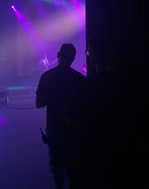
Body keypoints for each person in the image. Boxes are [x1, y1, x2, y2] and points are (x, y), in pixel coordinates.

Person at [68, 33, 135, 189]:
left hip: (93, 156)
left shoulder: (87, 86)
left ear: (94, 55)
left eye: (88, 52)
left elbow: (70, 117)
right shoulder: (130, 85)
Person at [36, 43, 85, 189]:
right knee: (73, 168)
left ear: (58, 55)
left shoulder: (46, 77)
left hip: (54, 128)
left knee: (57, 168)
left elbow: (39, 103)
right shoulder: (79, 79)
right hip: (74, 129)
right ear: (73, 58)